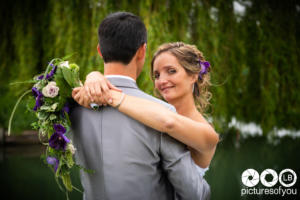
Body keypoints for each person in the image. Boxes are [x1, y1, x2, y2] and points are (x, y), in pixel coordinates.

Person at [70, 12, 211, 200]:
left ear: (100, 51)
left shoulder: (73, 107)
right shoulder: (161, 113)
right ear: (142, 51)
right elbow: (194, 194)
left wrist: (92, 75)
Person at [74, 42, 219, 175]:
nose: (161, 81)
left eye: (171, 71)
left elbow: (169, 122)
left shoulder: (208, 135)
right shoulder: (148, 112)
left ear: (193, 75)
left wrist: (106, 94)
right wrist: (94, 77)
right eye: (157, 75)